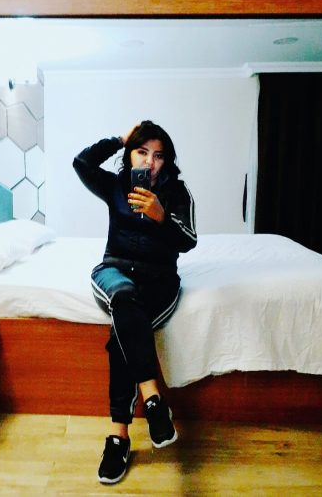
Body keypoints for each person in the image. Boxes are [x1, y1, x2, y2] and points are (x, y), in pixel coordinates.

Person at [73, 120, 197, 484]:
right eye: (142, 152)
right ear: (130, 155)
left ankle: (118, 438)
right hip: (114, 270)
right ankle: (153, 400)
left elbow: (189, 240)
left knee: (122, 332)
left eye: (158, 156)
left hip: (159, 279)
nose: (150, 162)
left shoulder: (177, 192)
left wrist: (161, 217)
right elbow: (81, 163)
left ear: (167, 161)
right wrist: (119, 139)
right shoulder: (116, 185)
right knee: (124, 298)